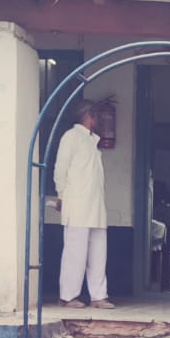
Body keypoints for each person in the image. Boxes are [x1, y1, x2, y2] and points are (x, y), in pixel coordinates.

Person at [54, 100, 115, 309]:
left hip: (96, 206)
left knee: (98, 253)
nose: (97, 120)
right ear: (89, 116)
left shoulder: (91, 140)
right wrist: (61, 194)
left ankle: (99, 296)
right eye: (96, 116)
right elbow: (60, 168)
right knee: (75, 253)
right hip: (77, 205)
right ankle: (68, 296)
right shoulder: (71, 137)